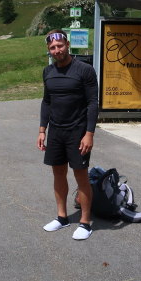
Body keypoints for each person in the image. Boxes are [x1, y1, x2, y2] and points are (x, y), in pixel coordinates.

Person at [37, 30, 99, 240]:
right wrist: (42, 130)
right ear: (49, 50)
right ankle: (62, 217)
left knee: (81, 175)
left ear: (67, 44)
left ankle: (85, 222)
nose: (57, 50)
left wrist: (89, 133)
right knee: (58, 174)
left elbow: (92, 103)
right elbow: (47, 102)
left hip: (78, 132)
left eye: (60, 46)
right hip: (56, 132)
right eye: (53, 48)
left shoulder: (85, 70)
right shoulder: (48, 72)